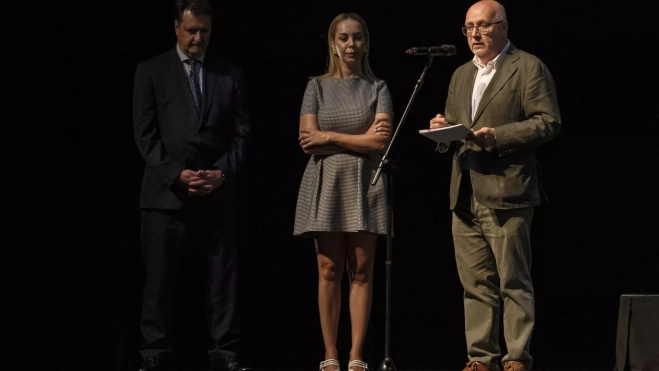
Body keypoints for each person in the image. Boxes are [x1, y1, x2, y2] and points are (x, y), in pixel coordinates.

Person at [428, 1, 561, 371]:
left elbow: (548, 122)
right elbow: (457, 125)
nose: (475, 34)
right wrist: (442, 130)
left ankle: (517, 356)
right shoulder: (460, 75)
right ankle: (481, 357)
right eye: (469, 27)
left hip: (508, 189)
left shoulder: (528, 67)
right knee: (475, 284)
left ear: (503, 27)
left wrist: (498, 136)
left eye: (484, 26)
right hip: (465, 190)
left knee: (513, 281)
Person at [132, 0, 251, 370]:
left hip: (217, 195)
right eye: (191, 30)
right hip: (165, 196)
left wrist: (221, 173)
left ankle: (224, 353)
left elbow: (242, 134)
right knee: (159, 283)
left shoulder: (228, 73)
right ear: (176, 29)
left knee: (222, 282)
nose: (198, 37)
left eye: (204, 30)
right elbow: (145, 135)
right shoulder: (151, 71)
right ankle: (155, 354)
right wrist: (175, 174)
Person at [293, 12, 394, 371]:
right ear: (333, 45)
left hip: (366, 183)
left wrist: (330, 136)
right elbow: (308, 141)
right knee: (329, 269)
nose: (352, 44)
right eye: (344, 38)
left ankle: (356, 355)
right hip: (327, 183)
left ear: (366, 43)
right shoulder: (316, 87)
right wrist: (357, 138)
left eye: (358, 37)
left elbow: (381, 141)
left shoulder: (378, 88)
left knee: (363, 271)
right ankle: (331, 354)